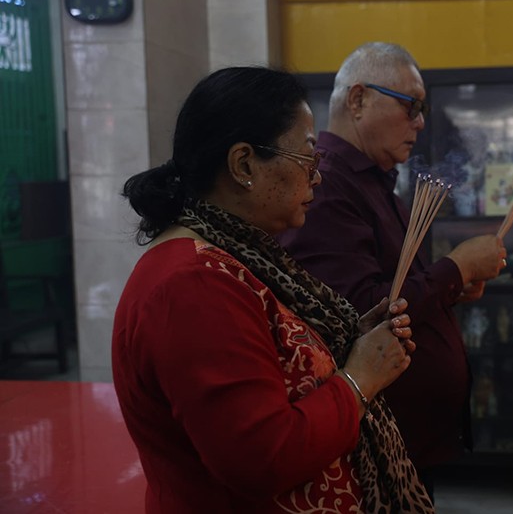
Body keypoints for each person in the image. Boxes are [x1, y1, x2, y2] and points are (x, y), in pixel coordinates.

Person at [112, 66, 435, 513]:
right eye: (308, 160)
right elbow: (261, 458)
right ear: (244, 164)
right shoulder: (193, 283)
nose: (317, 179)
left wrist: (348, 341)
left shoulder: (237, 254)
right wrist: (360, 379)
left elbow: (276, 359)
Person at [278, 42, 507, 499]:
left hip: (409, 439)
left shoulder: (377, 183)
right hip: (376, 442)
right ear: (358, 99)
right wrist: (455, 269)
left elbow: (396, 289)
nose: (420, 122)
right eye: (410, 106)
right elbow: (359, 311)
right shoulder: (327, 188)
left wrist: (451, 289)